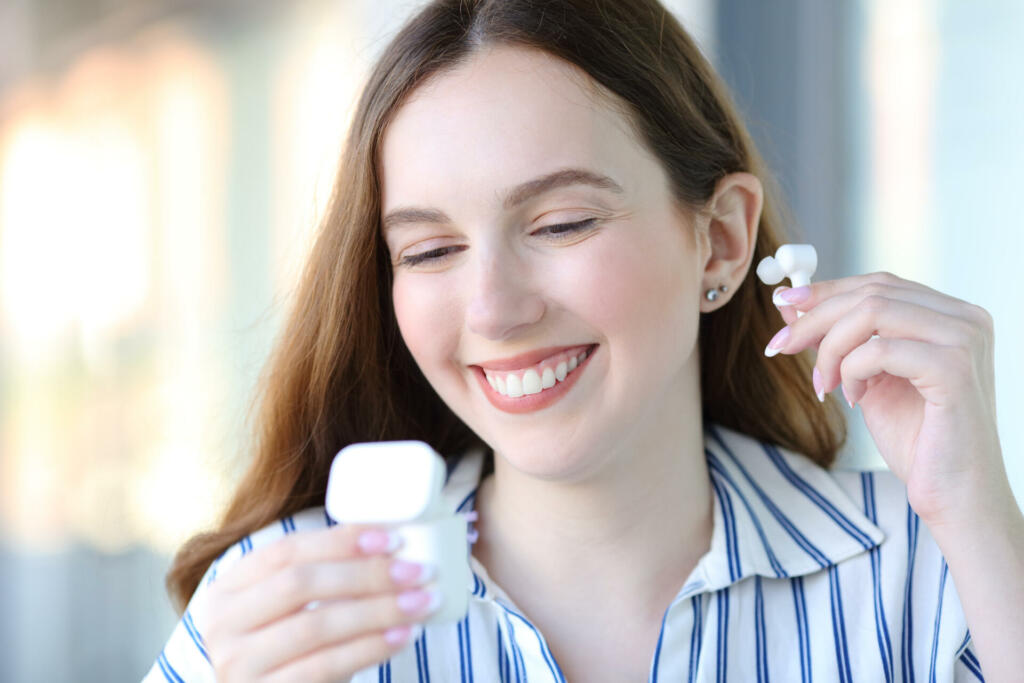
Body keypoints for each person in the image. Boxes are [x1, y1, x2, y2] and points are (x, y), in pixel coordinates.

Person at [142, 0, 1023, 681]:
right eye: (432, 249)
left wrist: (977, 511)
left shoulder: (926, 572)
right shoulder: (276, 610)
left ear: (718, 239)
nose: (492, 308)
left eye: (562, 224)